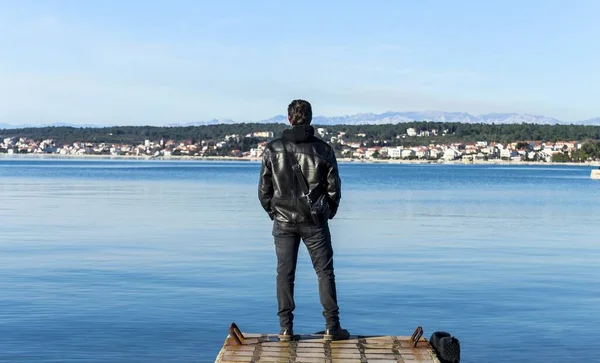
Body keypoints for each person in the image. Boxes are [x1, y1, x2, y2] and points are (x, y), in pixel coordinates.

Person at [258, 99, 350, 342]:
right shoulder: (323, 149)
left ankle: (286, 329)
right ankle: (332, 327)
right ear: (309, 119)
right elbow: (334, 189)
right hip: (315, 222)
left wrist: (275, 213)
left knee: (285, 274)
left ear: (289, 118)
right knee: (324, 272)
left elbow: (263, 191)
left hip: (284, 222)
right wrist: (327, 212)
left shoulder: (272, 148)